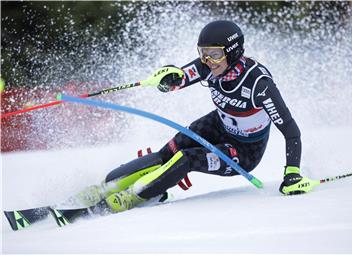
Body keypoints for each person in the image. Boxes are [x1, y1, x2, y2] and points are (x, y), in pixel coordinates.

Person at [77, 20, 317, 212]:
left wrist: (292, 172)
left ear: (232, 52)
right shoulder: (209, 66)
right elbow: (179, 78)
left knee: (186, 159)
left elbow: (291, 131)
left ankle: (130, 198)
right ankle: (107, 186)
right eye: (203, 53)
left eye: (214, 54)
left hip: (244, 151)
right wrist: (167, 78)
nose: (208, 61)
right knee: (168, 152)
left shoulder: (259, 84)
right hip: (219, 124)